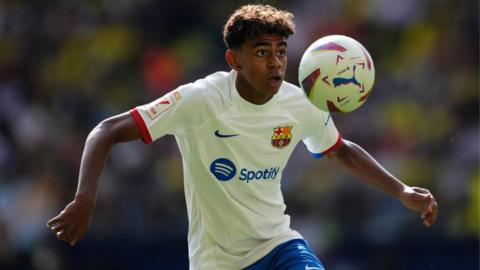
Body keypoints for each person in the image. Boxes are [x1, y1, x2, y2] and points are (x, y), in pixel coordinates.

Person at [47, 4, 438, 270]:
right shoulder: (200, 101)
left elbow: (340, 151)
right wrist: (85, 198)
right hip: (216, 261)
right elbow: (107, 130)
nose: (276, 63)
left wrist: (401, 190)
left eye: (281, 51)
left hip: (278, 245)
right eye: (262, 52)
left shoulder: (300, 102)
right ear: (234, 59)